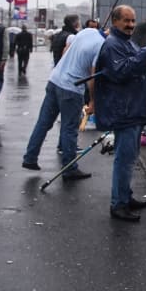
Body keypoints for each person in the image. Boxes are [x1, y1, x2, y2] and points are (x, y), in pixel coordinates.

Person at [94, 5, 146, 221]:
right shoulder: (112, 45)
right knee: (124, 160)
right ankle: (118, 205)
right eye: (126, 21)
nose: (131, 25)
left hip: (133, 109)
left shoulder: (125, 42)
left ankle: (125, 196)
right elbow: (121, 71)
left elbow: (136, 66)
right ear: (115, 21)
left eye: (133, 21)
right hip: (125, 111)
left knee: (130, 158)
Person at [21, 26, 105, 179]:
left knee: (43, 123)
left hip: (55, 80)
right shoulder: (101, 46)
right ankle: (69, 167)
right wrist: (93, 101)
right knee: (69, 129)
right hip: (72, 89)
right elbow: (93, 78)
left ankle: (30, 157)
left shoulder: (86, 32)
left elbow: (66, 50)